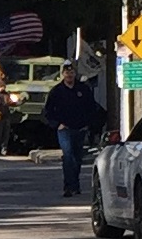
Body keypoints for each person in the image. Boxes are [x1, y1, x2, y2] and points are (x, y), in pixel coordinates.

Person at [41, 66, 103, 199]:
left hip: (80, 129)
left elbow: (92, 108)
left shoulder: (83, 89)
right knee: (68, 156)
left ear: (75, 74)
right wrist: (57, 125)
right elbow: (47, 112)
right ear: (62, 74)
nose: (69, 75)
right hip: (65, 130)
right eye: (67, 72)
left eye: (72, 72)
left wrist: (88, 124)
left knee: (77, 158)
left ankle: (76, 185)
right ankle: (69, 186)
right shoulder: (57, 91)